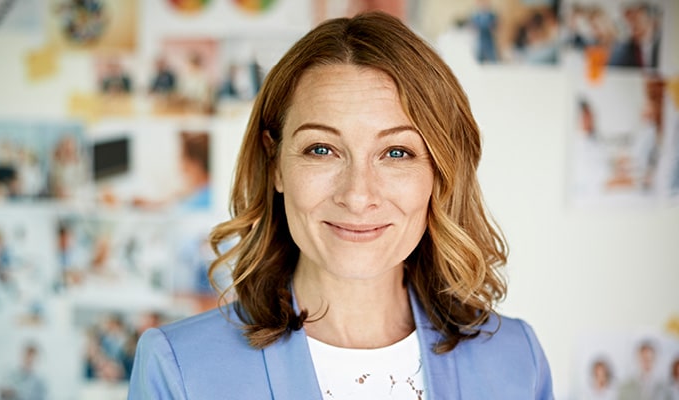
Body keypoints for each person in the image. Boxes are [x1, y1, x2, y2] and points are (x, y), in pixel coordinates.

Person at [128, 11, 553, 399]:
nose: (357, 195)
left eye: (396, 153)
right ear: (275, 163)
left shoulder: (517, 362)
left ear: (439, 173)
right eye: (321, 149)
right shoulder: (180, 369)